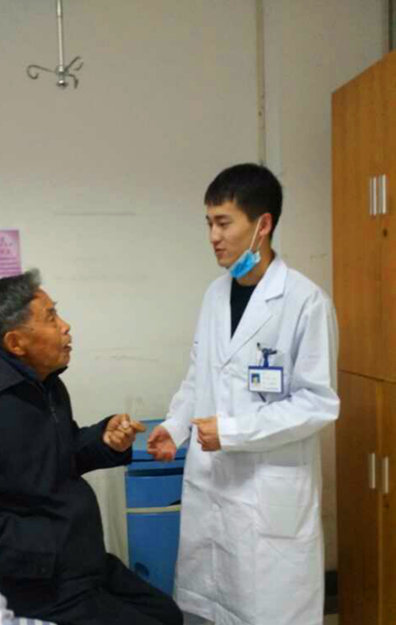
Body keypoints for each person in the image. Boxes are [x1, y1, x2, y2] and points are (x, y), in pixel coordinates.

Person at [0, 269, 183, 625]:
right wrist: (40, 548)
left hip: (83, 560)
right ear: (16, 343)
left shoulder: (43, 384)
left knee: (168, 615)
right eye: (51, 318)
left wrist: (104, 439)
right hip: (37, 581)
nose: (65, 326)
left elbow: (58, 454)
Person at [147, 164, 340, 625]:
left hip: (268, 494)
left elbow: (317, 403)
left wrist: (232, 432)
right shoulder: (215, 296)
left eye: (223, 223)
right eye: (209, 223)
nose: (213, 237)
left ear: (262, 224)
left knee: (270, 609)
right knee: (213, 607)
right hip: (214, 484)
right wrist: (174, 428)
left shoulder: (305, 302)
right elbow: (199, 377)